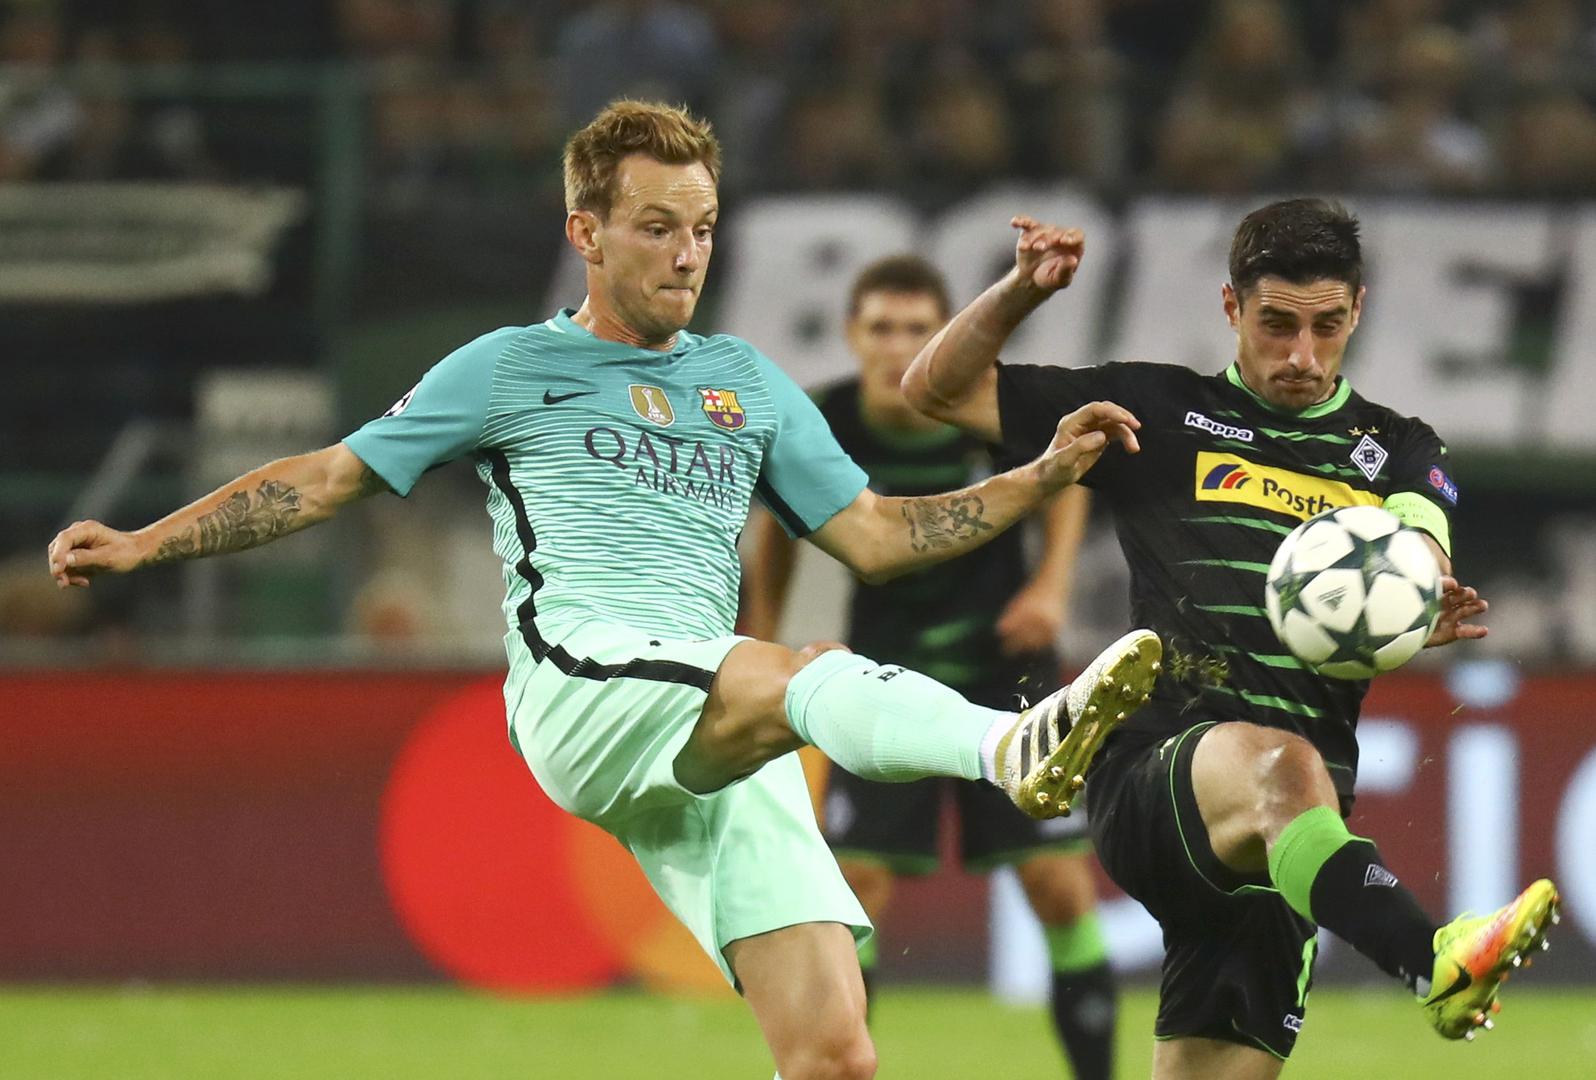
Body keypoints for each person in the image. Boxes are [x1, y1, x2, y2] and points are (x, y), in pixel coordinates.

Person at [44, 101, 1163, 1080]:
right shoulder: (508, 366)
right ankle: (1006, 745)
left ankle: (996, 747)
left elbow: (876, 536)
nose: (688, 255)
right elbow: (329, 478)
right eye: (657, 227)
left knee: (835, 1050)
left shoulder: (744, 383)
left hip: (707, 716)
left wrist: (1038, 477)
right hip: (585, 681)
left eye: (704, 229)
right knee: (801, 674)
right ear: (586, 232)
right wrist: (147, 544)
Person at [901, 200, 1561, 1079]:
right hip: (1157, 774)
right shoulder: (1156, 411)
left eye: (1327, 326)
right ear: (1231, 307)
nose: (1302, 355)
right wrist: (1020, 291)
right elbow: (934, 391)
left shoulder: (1397, 448)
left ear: (1357, 311)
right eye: (1277, 324)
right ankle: (1434, 961)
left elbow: (1419, 537)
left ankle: (1378, 921)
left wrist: (1414, 590)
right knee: (1279, 763)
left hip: (1296, 845)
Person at [741, 254, 1116, 1080]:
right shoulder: (826, 421)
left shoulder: (982, 405)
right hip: (881, 679)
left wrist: (1050, 586)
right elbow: (776, 536)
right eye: (881, 327)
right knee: (857, 890)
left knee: (1057, 886)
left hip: (1006, 669)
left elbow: (1068, 479)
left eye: (917, 329)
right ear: (852, 334)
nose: (897, 345)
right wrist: (761, 642)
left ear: (945, 334)